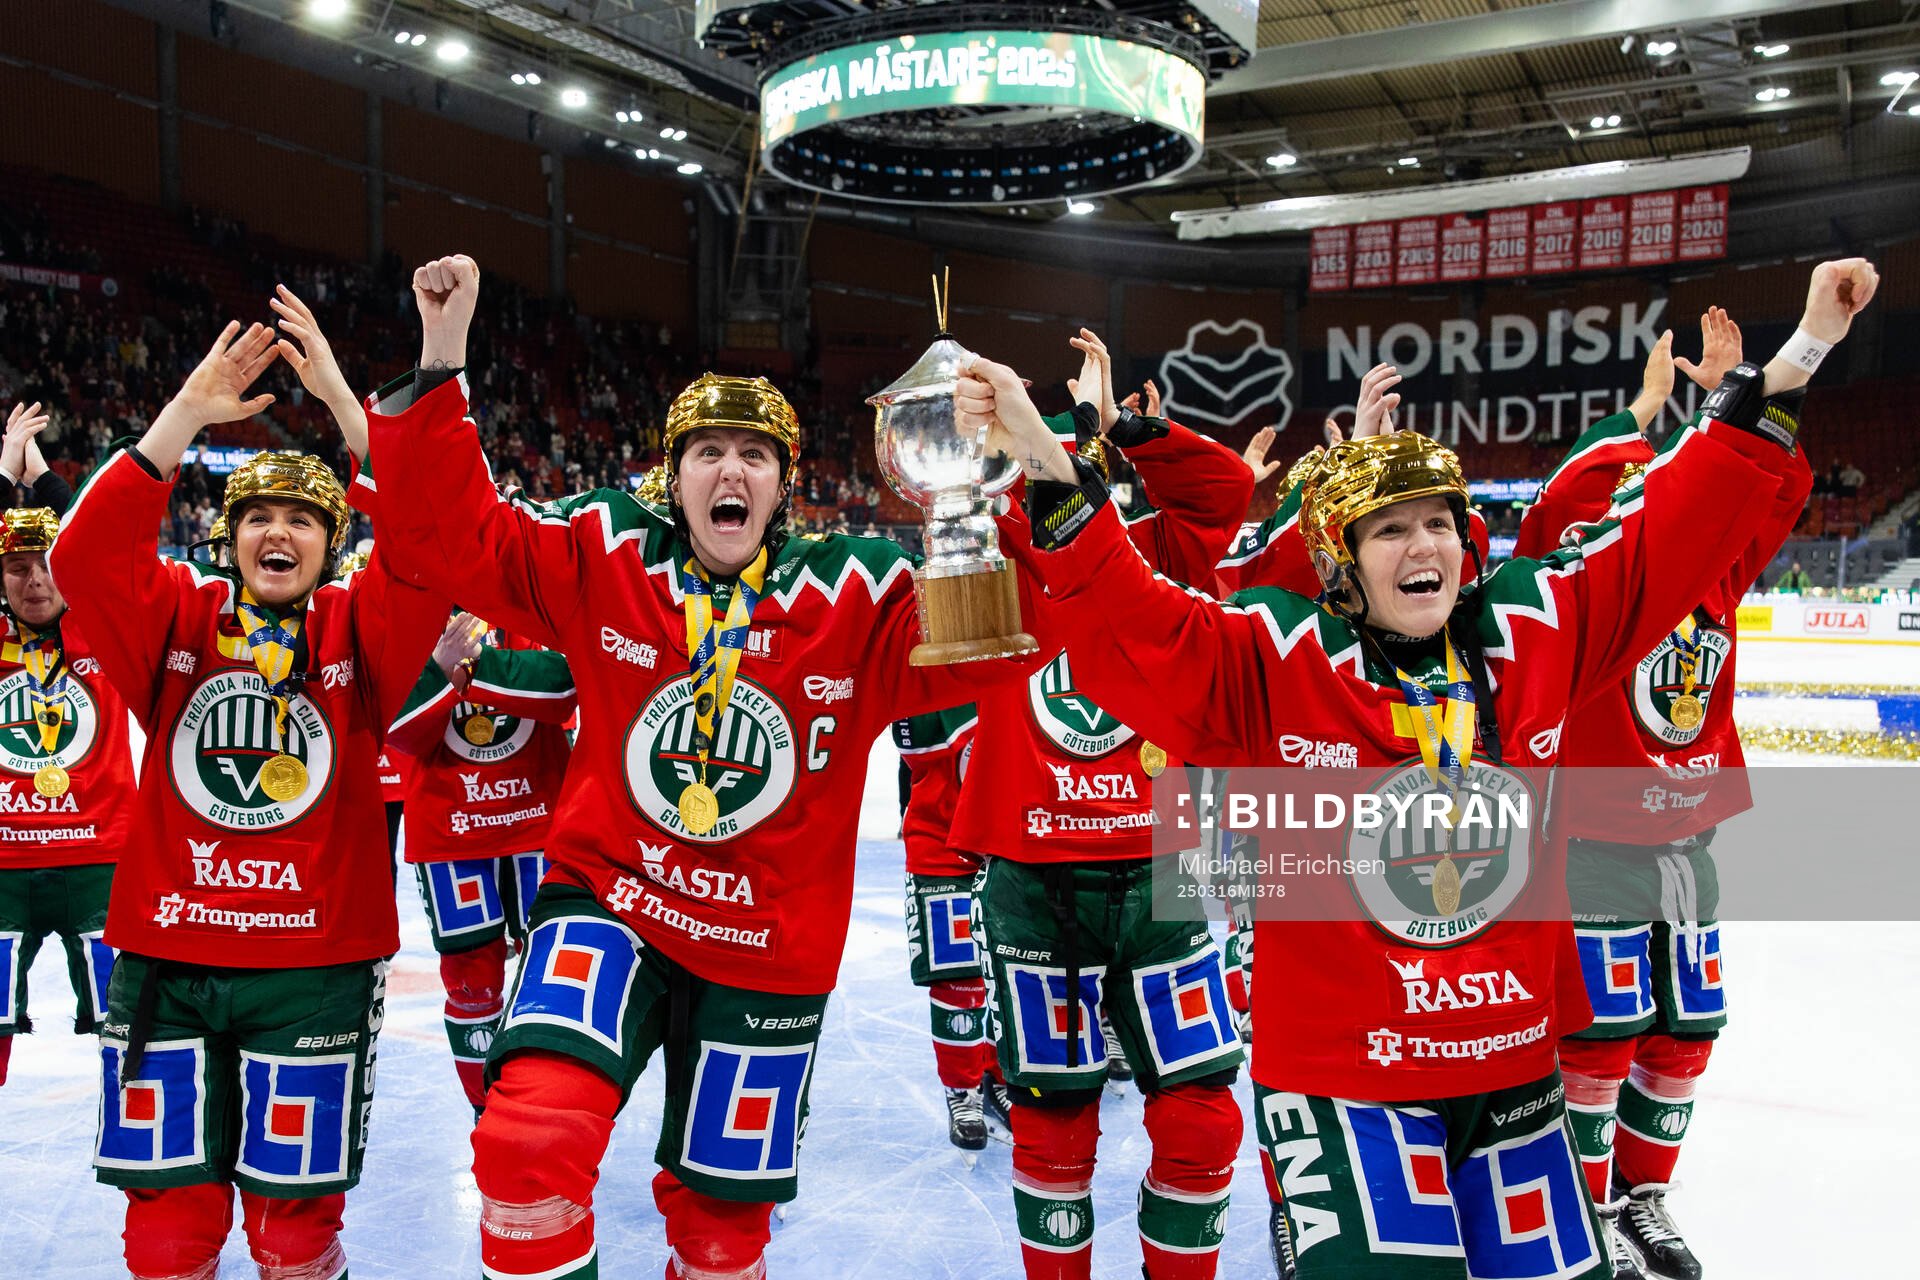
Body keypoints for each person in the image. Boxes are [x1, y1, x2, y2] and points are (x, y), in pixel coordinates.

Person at [950, 256, 1876, 1280]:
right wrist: (1043, 452)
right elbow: (1136, 620)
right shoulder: (1278, 654)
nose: (1421, 542)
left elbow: (1673, 527)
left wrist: (1808, 344)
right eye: (1389, 528)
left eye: (1437, 520)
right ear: (1340, 563)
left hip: (1515, 1071)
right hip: (1347, 1082)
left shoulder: (1534, 627)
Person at [366, 254, 1032, 1280]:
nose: (731, 472)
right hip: (612, 900)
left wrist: (988, 480)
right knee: (524, 1145)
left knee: (723, 1239)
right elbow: (457, 539)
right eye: (708, 452)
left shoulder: (858, 590)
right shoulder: (605, 549)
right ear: (673, 479)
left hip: (766, 941)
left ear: (785, 483)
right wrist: (442, 356)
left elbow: (995, 651)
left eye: (755, 455)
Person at [51, 309, 446, 1280]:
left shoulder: (361, 629)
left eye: (304, 517)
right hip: (165, 960)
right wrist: (185, 412)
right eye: (259, 516)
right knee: (168, 1232)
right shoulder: (177, 613)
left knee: (294, 1235)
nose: (279, 529)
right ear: (230, 537)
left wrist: (352, 412)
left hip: (313, 967)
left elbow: (433, 544)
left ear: (330, 540)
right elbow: (80, 561)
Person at [948, 329, 1254, 1279]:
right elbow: (941, 507)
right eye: (1045, 452)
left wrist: (1120, 422)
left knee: (1203, 1120)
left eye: (1081, 456)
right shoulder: (984, 547)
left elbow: (1226, 493)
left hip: (1166, 872)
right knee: (1050, 1126)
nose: (1061, 467)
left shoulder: (1159, 550)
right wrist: (965, 440)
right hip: (1034, 878)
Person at [1518, 303, 1811, 1280]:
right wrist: (1645, 413)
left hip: (1687, 845)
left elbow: (1772, 485)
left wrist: (1761, 396)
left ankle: (1640, 1198)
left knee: (1684, 1029)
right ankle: (1587, 1207)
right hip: (1592, 840)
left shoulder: (1721, 569)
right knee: (1597, 1037)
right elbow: (1559, 506)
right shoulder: (1585, 574)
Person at [387, 610, 575, 1115]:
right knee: (473, 984)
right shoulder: (411, 602)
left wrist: (459, 667)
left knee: (553, 978)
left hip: (539, 820)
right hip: (450, 828)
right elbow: (399, 729)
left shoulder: (541, 590)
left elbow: (566, 690)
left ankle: (541, 1106)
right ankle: (489, 1114)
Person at [0, 491, 138, 1089]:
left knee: (131, 1034)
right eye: (17, 565)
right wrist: (5, 479)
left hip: (101, 865)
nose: (35, 580)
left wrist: (47, 480)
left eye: (48, 562)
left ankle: (147, 1176)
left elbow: (110, 537)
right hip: (3, 871)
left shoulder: (104, 625)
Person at [891, 701, 1013, 1158]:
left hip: (1018, 841)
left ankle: (1000, 1076)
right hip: (944, 846)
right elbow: (918, 749)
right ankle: (963, 1089)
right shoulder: (933, 662)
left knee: (1013, 973)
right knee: (958, 976)